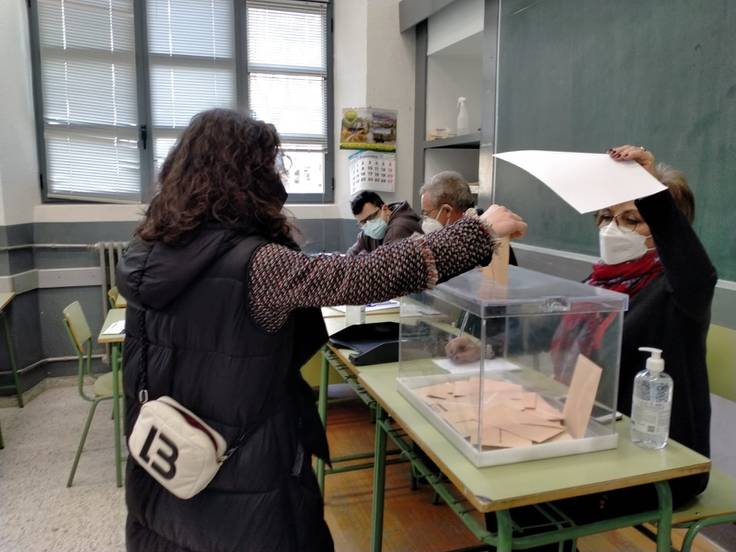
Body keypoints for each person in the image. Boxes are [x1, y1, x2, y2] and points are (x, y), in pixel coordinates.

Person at [116, 108, 527, 552]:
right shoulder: (255, 263)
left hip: (165, 460)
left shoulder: (148, 251)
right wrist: (477, 233)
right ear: (247, 177)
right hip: (242, 472)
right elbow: (365, 276)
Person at [447, 144, 715, 550]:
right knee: (501, 467)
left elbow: (696, 269)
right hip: (592, 432)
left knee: (526, 485)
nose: (613, 229)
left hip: (656, 460)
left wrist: (652, 193)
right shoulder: (601, 283)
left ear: (663, 227)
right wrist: (485, 348)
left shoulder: (680, 292)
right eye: (607, 217)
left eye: (632, 220)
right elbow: (547, 331)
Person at [420, 170, 518, 265]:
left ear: (447, 211)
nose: (425, 220)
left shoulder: (485, 240)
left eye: (426, 213)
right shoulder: (462, 236)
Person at [346, 190, 423, 256]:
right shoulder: (367, 232)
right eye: (363, 222)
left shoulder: (399, 228)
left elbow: (389, 268)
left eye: (371, 217)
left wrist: (363, 256)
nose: (369, 224)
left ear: (385, 208)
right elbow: (350, 255)